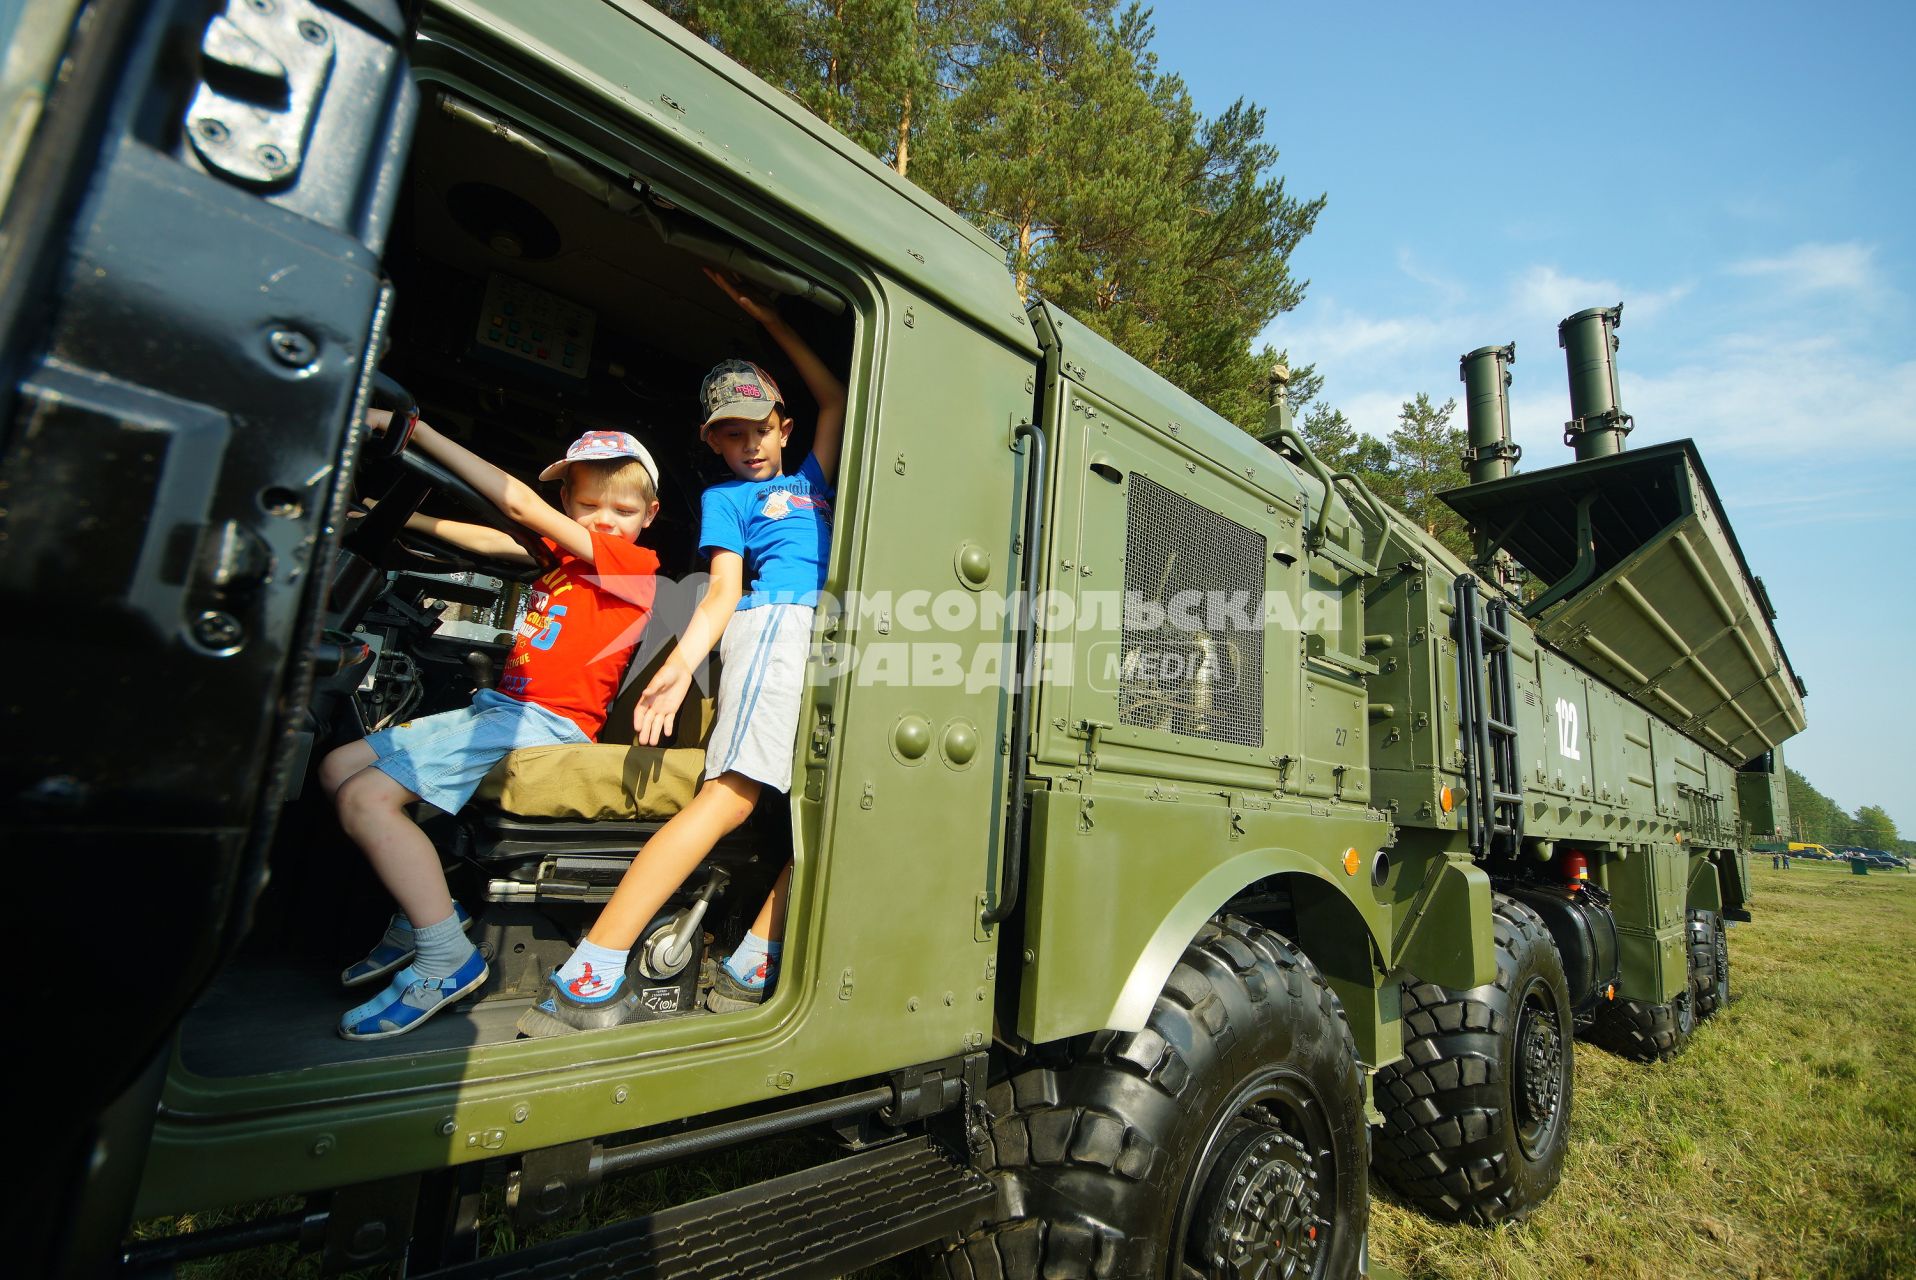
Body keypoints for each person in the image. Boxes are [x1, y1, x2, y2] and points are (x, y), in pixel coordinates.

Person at [520, 269, 842, 1035]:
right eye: (727, 432)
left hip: (828, 639)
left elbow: (832, 396)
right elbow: (724, 590)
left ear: (782, 425)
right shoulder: (726, 501)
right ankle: (592, 966)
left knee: (840, 814)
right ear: (711, 442)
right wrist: (676, 666)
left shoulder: (812, 478)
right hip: (774, 627)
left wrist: (769, 320)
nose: (746, 443)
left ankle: (753, 957)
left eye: (757, 426)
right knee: (730, 798)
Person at [321, 419, 662, 1040]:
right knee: (337, 767)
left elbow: (516, 503)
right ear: (569, 504)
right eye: (587, 505)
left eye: (622, 508)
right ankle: (428, 911)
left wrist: (414, 431)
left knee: (364, 798)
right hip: (501, 710)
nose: (603, 519)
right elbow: (490, 536)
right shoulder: (564, 561)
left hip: (548, 726)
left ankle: (446, 957)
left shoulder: (632, 565)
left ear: (649, 515)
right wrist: (381, 517)